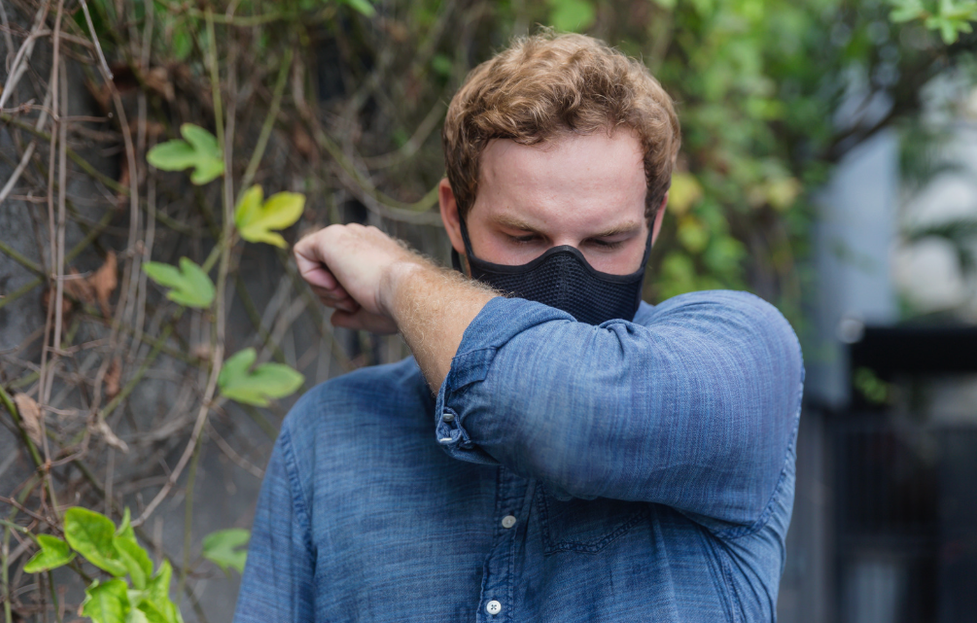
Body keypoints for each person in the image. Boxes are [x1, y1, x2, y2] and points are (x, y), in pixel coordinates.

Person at [233, 32, 803, 623]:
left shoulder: (743, 358)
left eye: (607, 240)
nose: (563, 281)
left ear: (652, 221)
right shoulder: (331, 433)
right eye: (524, 236)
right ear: (454, 217)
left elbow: (572, 410)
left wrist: (398, 279)